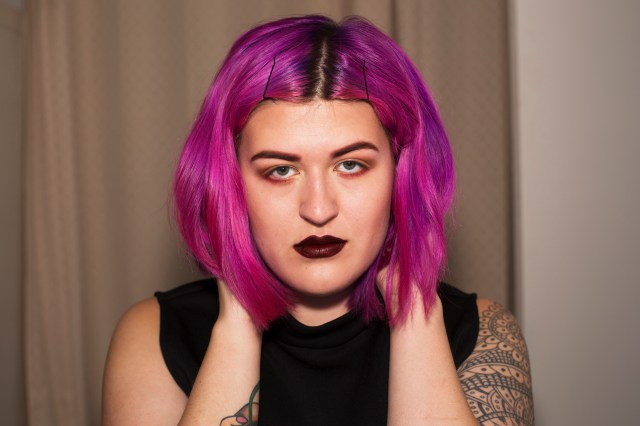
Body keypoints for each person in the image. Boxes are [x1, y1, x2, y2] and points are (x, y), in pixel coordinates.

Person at [102, 15, 533, 426]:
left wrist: (414, 314)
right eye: (281, 170)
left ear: (401, 174)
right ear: (230, 185)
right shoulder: (154, 335)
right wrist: (237, 325)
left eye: (350, 165)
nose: (319, 209)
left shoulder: (483, 333)